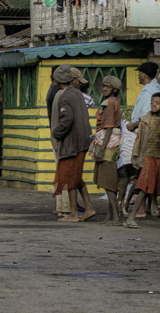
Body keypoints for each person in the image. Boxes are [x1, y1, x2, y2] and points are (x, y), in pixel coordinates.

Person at [123, 93, 160, 230]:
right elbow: (138, 140)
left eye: (157, 103)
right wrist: (135, 156)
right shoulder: (144, 120)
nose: (154, 104)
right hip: (148, 158)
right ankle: (131, 218)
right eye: (152, 102)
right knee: (144, 188)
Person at [51, 65, 95, 222]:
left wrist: (56, 133)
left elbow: (67, 119)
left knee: (70, 178)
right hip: (83, 141)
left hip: (72, 144)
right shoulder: (77, 93)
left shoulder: (64, 96)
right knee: (76, 177)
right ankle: (88, 208)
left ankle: (74, 214)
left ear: (58, 80)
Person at [91, 75, 123, 224]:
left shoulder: (110, 102)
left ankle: (115, 217)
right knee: (108, 180)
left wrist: (102, 149)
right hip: (111, 144)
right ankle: (110, 216)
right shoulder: (114, 101)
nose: (104, 89)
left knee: (108, 182)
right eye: (103, 86)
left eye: (108, 87)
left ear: (114, 89)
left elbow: (109, 127)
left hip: (107, 144)